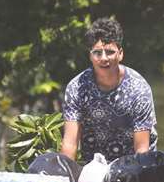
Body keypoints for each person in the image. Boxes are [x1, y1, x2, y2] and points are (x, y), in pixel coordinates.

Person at [60, 17, 158, 164]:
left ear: (120, 54)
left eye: (110, 52)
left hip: (133, 166)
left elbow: (142, 150)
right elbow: (70, 144)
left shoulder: (139, 89)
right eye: (97, 52)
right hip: (92, 166)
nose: (104, 58)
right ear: (90, 56)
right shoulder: (76, 88)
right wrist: (63, 179)